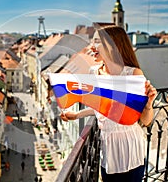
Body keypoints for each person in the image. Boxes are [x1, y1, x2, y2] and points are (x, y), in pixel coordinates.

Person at [60, 25, 157, 182]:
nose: (91, 47)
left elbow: (145, 121)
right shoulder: (94, 72)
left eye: (97, 41)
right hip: (108, 150)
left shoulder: (132, 74)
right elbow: (103, 107)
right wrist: (77, 115)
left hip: (131, 149)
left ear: (113, 45)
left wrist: (148, 104)